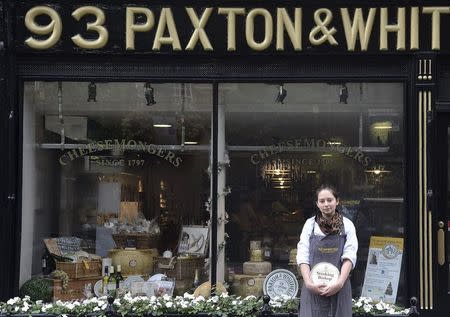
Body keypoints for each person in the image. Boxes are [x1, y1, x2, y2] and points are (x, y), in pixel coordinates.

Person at [296, 185, 358, 317]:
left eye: (329, 200)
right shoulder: (310, 225)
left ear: (337, 201)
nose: (326, 204)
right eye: (322, 201)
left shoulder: (347, 225)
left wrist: (339, 283)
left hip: (339, 287)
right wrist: (308, 283)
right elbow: (302, 255)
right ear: (317, 204)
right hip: (312, 287)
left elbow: (350, 256)